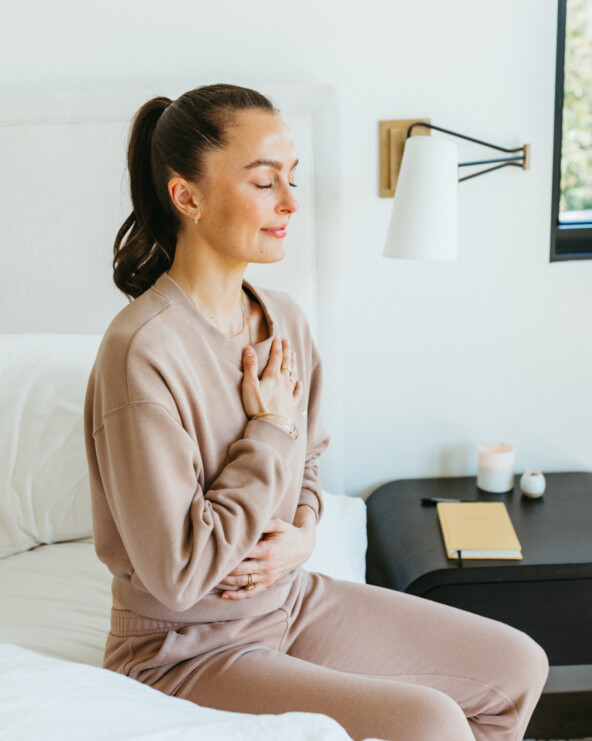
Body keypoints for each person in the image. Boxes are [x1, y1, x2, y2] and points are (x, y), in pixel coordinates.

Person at [84, 83, 548, 741]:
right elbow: (180, 571)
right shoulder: (141, 351)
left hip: (291, 597)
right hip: (185, 646)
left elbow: (308, 463)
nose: (291, 203)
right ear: (187, 196)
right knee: (433, 721)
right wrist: (268, 430)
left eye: (292, 179)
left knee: (517, 666)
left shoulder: (284, 321)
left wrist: (302, 531)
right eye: (265, 181)